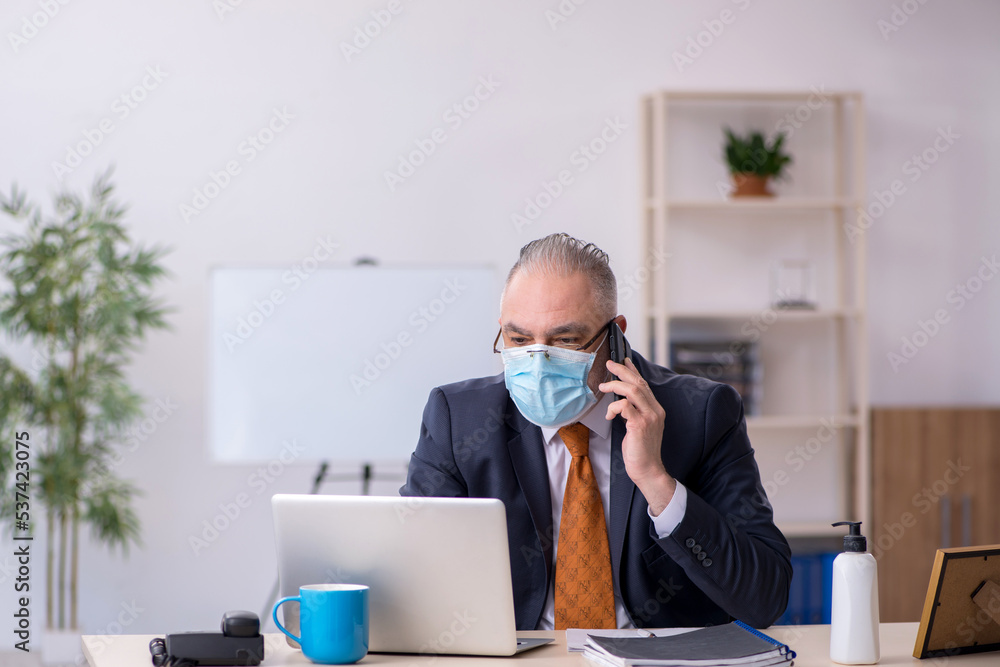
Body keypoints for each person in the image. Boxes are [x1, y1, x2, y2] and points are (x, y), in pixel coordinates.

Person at [400, 233, 791, 630]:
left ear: (615, 334)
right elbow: (412, 574)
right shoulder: (459, 418)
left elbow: (765, 599)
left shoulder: (701, 414)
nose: (537, 363)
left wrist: (657, 483)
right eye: (519, 340)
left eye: (565, 341)